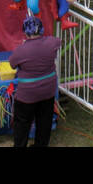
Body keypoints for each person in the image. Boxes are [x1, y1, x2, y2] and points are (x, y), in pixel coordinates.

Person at [9, 16, 61, 147]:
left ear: (25, 32)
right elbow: (58, 42)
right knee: (44, 121)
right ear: (41, 30)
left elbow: (12, 64)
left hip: (27, 94)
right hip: (48, 91)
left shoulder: (21, 51)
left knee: (22, 123)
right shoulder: (52, 43)